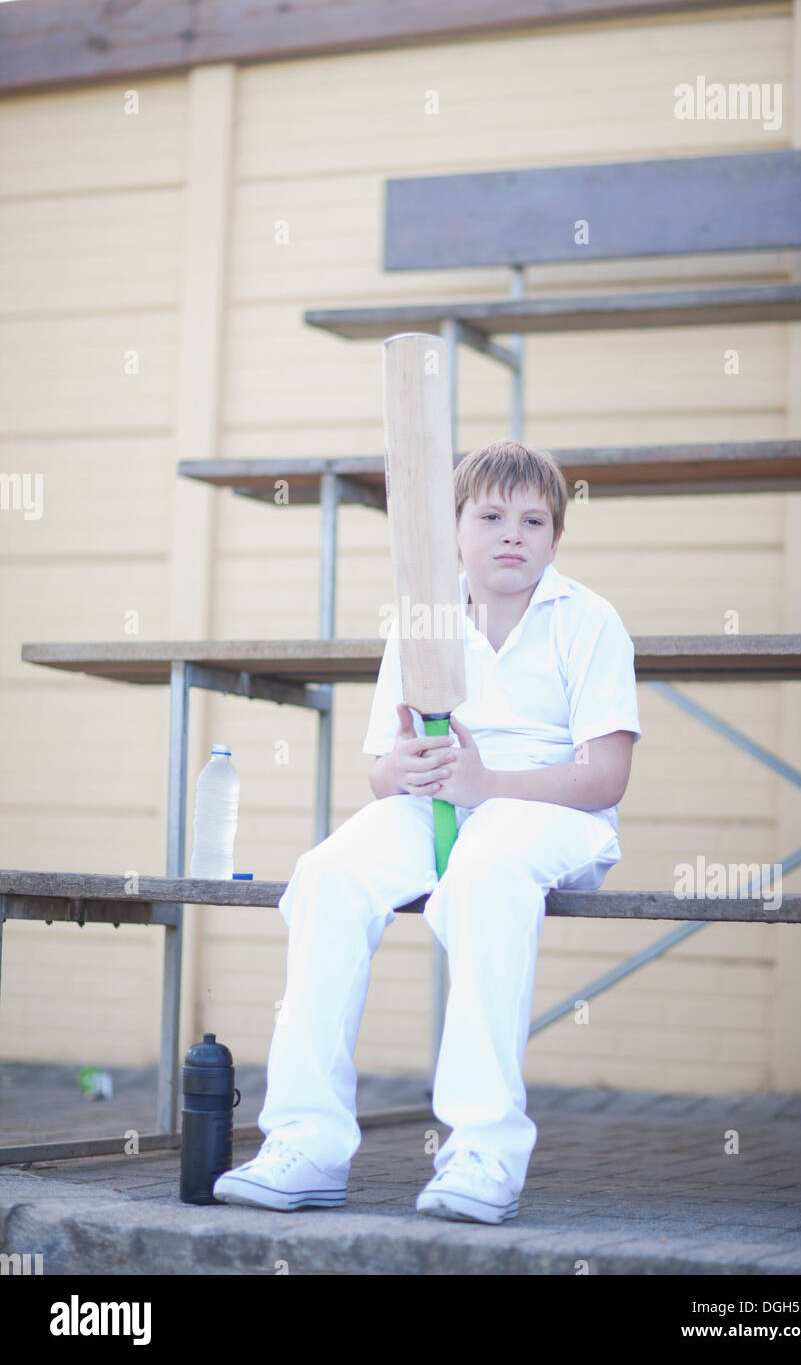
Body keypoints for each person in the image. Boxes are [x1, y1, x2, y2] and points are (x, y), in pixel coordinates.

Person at [213, 440, 641, 1224]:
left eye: (533, 520)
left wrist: (488, 785)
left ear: (555, 538)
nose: (512, 533)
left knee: (481, 873)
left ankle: (483, 1150)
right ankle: (306, 1140)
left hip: (551, 813)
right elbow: (381, 770)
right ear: (454, 530)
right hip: (442, 803)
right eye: (490, 516)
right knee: (328, 874)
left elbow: (605, 776)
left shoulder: (589, 620)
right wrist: (409, 771)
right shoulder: (425, 621)